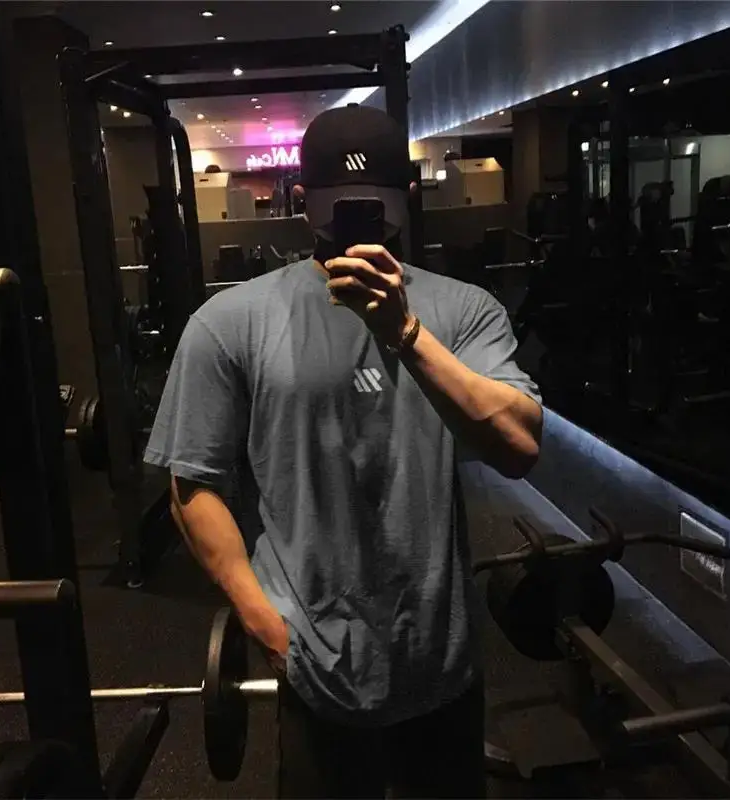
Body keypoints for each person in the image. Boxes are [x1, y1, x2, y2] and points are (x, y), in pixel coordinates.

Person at [145, 105, 543, 799]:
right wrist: (263, 622)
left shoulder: (464, 310)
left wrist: (406, 334)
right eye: (340, 204)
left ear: (408, 198)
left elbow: (519, 446)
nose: (357, 220)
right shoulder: (229, 322)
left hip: (439, 661)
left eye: (374, 202)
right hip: (316, 665)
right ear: (303, 201)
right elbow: (191, 485)